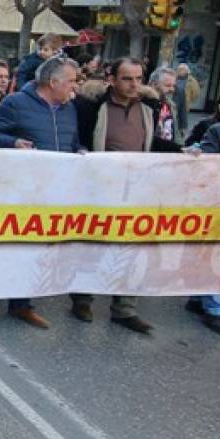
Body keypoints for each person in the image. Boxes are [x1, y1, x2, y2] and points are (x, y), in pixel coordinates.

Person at [70, 57, 180, 334]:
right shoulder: (93, 107)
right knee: (93, 245)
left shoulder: (149, 109)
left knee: (132, 249)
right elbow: (80, 139)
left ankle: (125, 309)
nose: (133, 85)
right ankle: (83, 299)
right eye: (127, 79)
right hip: (100, 187)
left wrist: (182, 152)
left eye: (138, 79)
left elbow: (152, 141)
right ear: (112, 79)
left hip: (136, 188)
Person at [0, 55, 84, 329]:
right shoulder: (16, 103)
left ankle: (22, 304)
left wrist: (81, 152)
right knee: (8, 247)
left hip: (54, 193)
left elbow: (72, 142)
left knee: (36, 251)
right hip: (19, 191)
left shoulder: (69, 109)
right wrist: (13, 142)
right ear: (53, 82)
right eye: (72, 81)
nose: (75, 87)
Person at [185, 120, 220, 336]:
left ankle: (201, 297)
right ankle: (215, 309)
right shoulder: (219, 131)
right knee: (218, 255)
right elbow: (205, 165)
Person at [148, 67, 181, 147]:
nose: (172, 89)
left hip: (168, 153)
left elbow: (174, 132)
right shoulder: (144, 105)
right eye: (168, 85)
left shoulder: (171, 105)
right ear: (154, 84)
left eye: (173, 86)